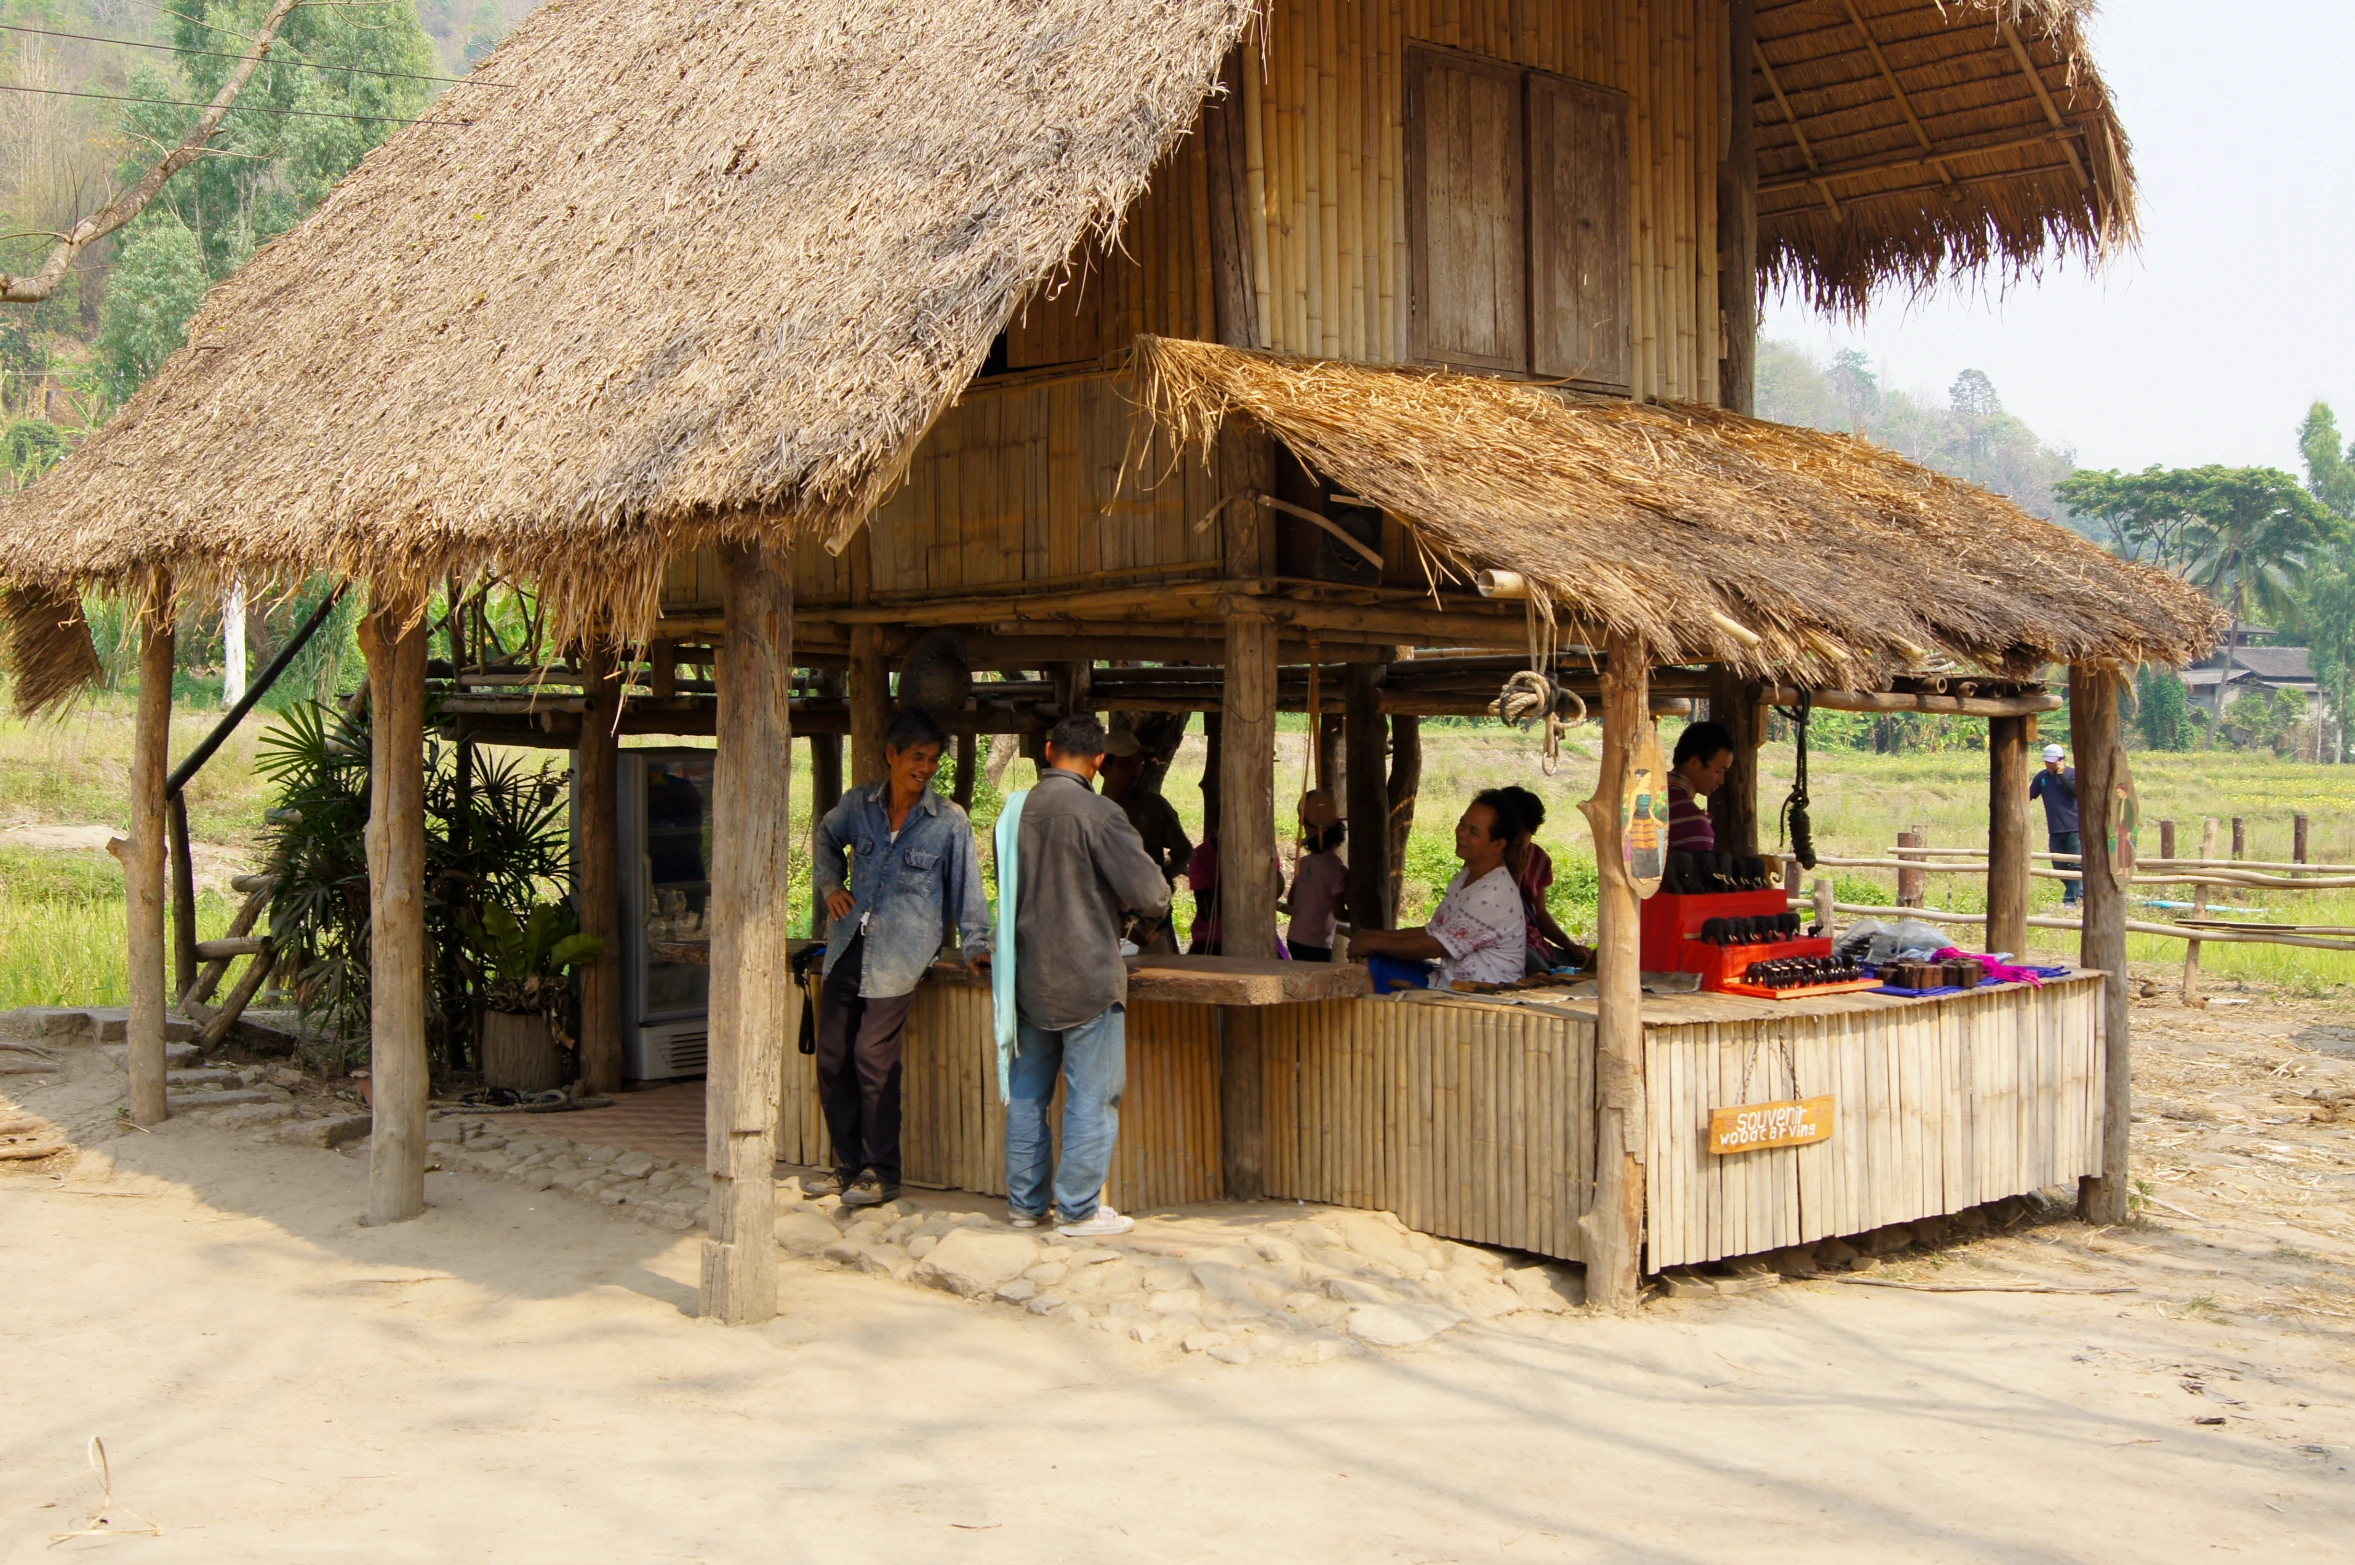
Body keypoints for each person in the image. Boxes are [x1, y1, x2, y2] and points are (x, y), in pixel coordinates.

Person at [999, 714, 1173, 1237]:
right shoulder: (1101, 813)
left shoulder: (1013, 812)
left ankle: (1025, 1206)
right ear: (1099, 761)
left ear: (1048, 749)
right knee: (1092, 1096)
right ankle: (1077, 1210)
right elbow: (1152, 895)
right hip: (1089, 978)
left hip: (1026, 976)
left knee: (1028, 1094)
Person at [810, 709, 991, 1207]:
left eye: (933, 760)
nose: (926, 768)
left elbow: (967, 890)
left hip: (901, 956)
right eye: (918, 757)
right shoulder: (856, 806)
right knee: (832, 1058)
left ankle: (881, 1172)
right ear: (891, 755)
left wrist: (976, 945)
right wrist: (831, 887)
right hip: (848, 945)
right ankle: (847, 1165)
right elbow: (824, 839)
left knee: (873, 1058)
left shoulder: (948, 822)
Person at [1347, 789, 1525, 992]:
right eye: (1462, 823)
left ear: (1498, 845)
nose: (1461, 832)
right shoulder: (1466, 876)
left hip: (1482, 995)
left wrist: (1371, 942)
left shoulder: (1492, 896)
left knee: (1370, 967)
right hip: (1450, 980)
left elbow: (1433, 946)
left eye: (1473, 831)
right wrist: (1371, 936)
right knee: (1374, 959)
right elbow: (1432, 931)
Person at [1098, 728, 1191, 953]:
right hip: (1103, 915)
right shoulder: (1092, 810)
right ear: (1104, 766)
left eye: (1138, 763)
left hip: (1148, 920)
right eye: (1126, 763)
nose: (1135, 770)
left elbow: (1184, 852)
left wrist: (1160, 881)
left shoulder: (1153, 807)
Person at [1491, 785, 1590, 974]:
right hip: (1504, 944)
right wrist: (1515, 874)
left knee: (1589, 966)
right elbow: (1499, 915)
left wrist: (1570, 946)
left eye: (1526, 831)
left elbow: (1540, 913)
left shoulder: (1538, 858)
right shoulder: (1486, 856)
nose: (1519, 839)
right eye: (1514, 830)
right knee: (1531, 964)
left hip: (1537, 945)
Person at [1282, 790, 1348, 962]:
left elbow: (1291, 900)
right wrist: (1361, 919)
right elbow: (1340, 913)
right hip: (1316, 942)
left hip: (1295, 938)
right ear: (1339, 837)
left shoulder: (1304, 862)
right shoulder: (1336, 869)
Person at [1666, 720, 1736, 854]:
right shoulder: (1694, 824)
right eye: (1718, 771)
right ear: (1695, 763)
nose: (1721, 781)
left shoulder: (1646, 797)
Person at [2031, 742, 2083, 907]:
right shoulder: (2042, 777)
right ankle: (2080, 892)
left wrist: (2061, 775)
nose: (2050, 764)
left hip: (2075, 828)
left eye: (2053, 761)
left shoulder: (2073, 774)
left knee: (2076, 865)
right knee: (2059, 866)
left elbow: (2077, 792)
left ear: (2062, 760)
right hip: (2055, 829)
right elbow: (2028, 795)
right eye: (2047, 761)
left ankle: (2069, 901)